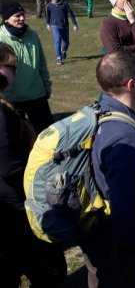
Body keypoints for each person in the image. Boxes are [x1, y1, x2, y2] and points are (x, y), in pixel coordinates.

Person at [80, 51, 135, 288]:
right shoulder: (125, 137)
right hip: (119, 243)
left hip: (100, 230)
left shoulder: (101, 110)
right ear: (132, 85)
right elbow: (125, 202)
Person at [0, 43, 67, 287]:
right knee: (49, 270)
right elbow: (9, 167)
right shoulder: (3, 117)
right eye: (11, 68)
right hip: (15, 207)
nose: (15, 74)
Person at [0, 1, 54, 133]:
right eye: (17, 16)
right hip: (11, 98)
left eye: (23, 14)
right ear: (6, 18)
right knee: (16, 138)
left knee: (48, 134)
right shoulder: (1, 38)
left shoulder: (32, 35)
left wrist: (46, 85)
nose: (22, 18)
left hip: (36, 94)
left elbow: (41, 62)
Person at [45, 0, 79, 65]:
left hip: (64, 25)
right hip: (54, 25)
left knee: (66, 42)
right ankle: (58, 58)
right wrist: (47, 24)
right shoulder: (49, 6)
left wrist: (74, 24)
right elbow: (47, 16)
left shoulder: (64, 4)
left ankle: (63, 51)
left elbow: (71, 14)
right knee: (58, 40)